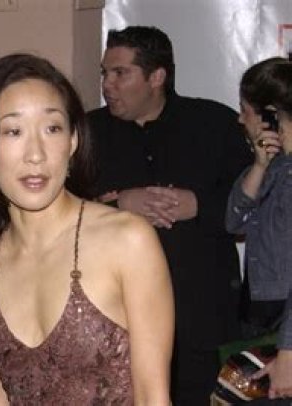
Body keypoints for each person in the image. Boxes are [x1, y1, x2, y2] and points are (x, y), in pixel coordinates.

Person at [0, 53, 174, 404]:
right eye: (14, 131)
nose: (35, 154)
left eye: (52, 129)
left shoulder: (127, 240)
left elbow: (153, 397)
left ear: (73, 141)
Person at [87, 26, 253, 404]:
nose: (107, 84)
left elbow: (258, 210)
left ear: (157, 77)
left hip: (202, 320)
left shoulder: (215, 124)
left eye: (120, 73)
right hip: (116, 322)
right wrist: (117, 206)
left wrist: (199, 205)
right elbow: (62, 216)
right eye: (104, 73)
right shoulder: (87, 132)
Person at [226, 57, 292, 401]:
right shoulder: (273, 168)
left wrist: (288, 351)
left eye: (245, 110)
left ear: (270, 115)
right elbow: (233, 221)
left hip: (283, 319)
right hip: (259, 313)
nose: (240, 119)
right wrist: (259, 165)